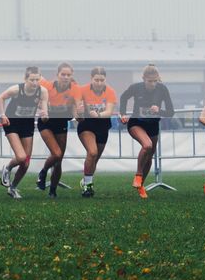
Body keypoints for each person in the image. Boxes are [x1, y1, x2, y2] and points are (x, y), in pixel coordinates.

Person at [120, 64, 174, 199]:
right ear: (143, 79)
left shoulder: (162, 89)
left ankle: (141, 186)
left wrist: (159, 111)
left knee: (149, 156)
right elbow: (123, 97)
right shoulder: (136, 87)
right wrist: (122, 113)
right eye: (150, 81)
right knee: (147, 145)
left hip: (153, 127)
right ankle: (138, 175)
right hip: (136, 124)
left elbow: (170, 112)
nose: (153, 84)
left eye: (155, 81)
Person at [0, 66, 47, 199]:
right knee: (21, 157)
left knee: (26, 162)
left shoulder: (43, 92)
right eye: (32, 80)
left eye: (37, 79)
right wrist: (2, 114)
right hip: (11, 123)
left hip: (27, 125)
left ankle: (12, 188)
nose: (35, 83)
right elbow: (1, 97)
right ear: (25, 79)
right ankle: (7, 168)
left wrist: (44, 114)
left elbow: (44, 112)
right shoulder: (16, 89)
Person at [35, 63, 79, 198]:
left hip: (61, 124)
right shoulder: (47, 86)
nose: (66, 77)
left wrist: (79, 116)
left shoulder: (74, 89)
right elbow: (36, 100)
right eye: (63, 74)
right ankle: (43, 173)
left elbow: (76, 111)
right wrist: (41, 110)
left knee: (59, 160)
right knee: (57, 153)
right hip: (46, 123)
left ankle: (52, 191)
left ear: (72, 76)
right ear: (57, 75)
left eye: (68, 75)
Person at [74, 67, 117, 198]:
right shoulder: (82, 90)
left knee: (95, 159)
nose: (99, 83)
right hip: (86, 125)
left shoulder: (110, 92)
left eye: (101, 80)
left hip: (102, 126)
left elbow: (109, 111)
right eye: (96, 80)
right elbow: (76, 109)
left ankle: (85, 180)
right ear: (91, 79)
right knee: (92, 152)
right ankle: (88, 187)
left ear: (105, 80)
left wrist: (98, 114)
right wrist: (79, 112)